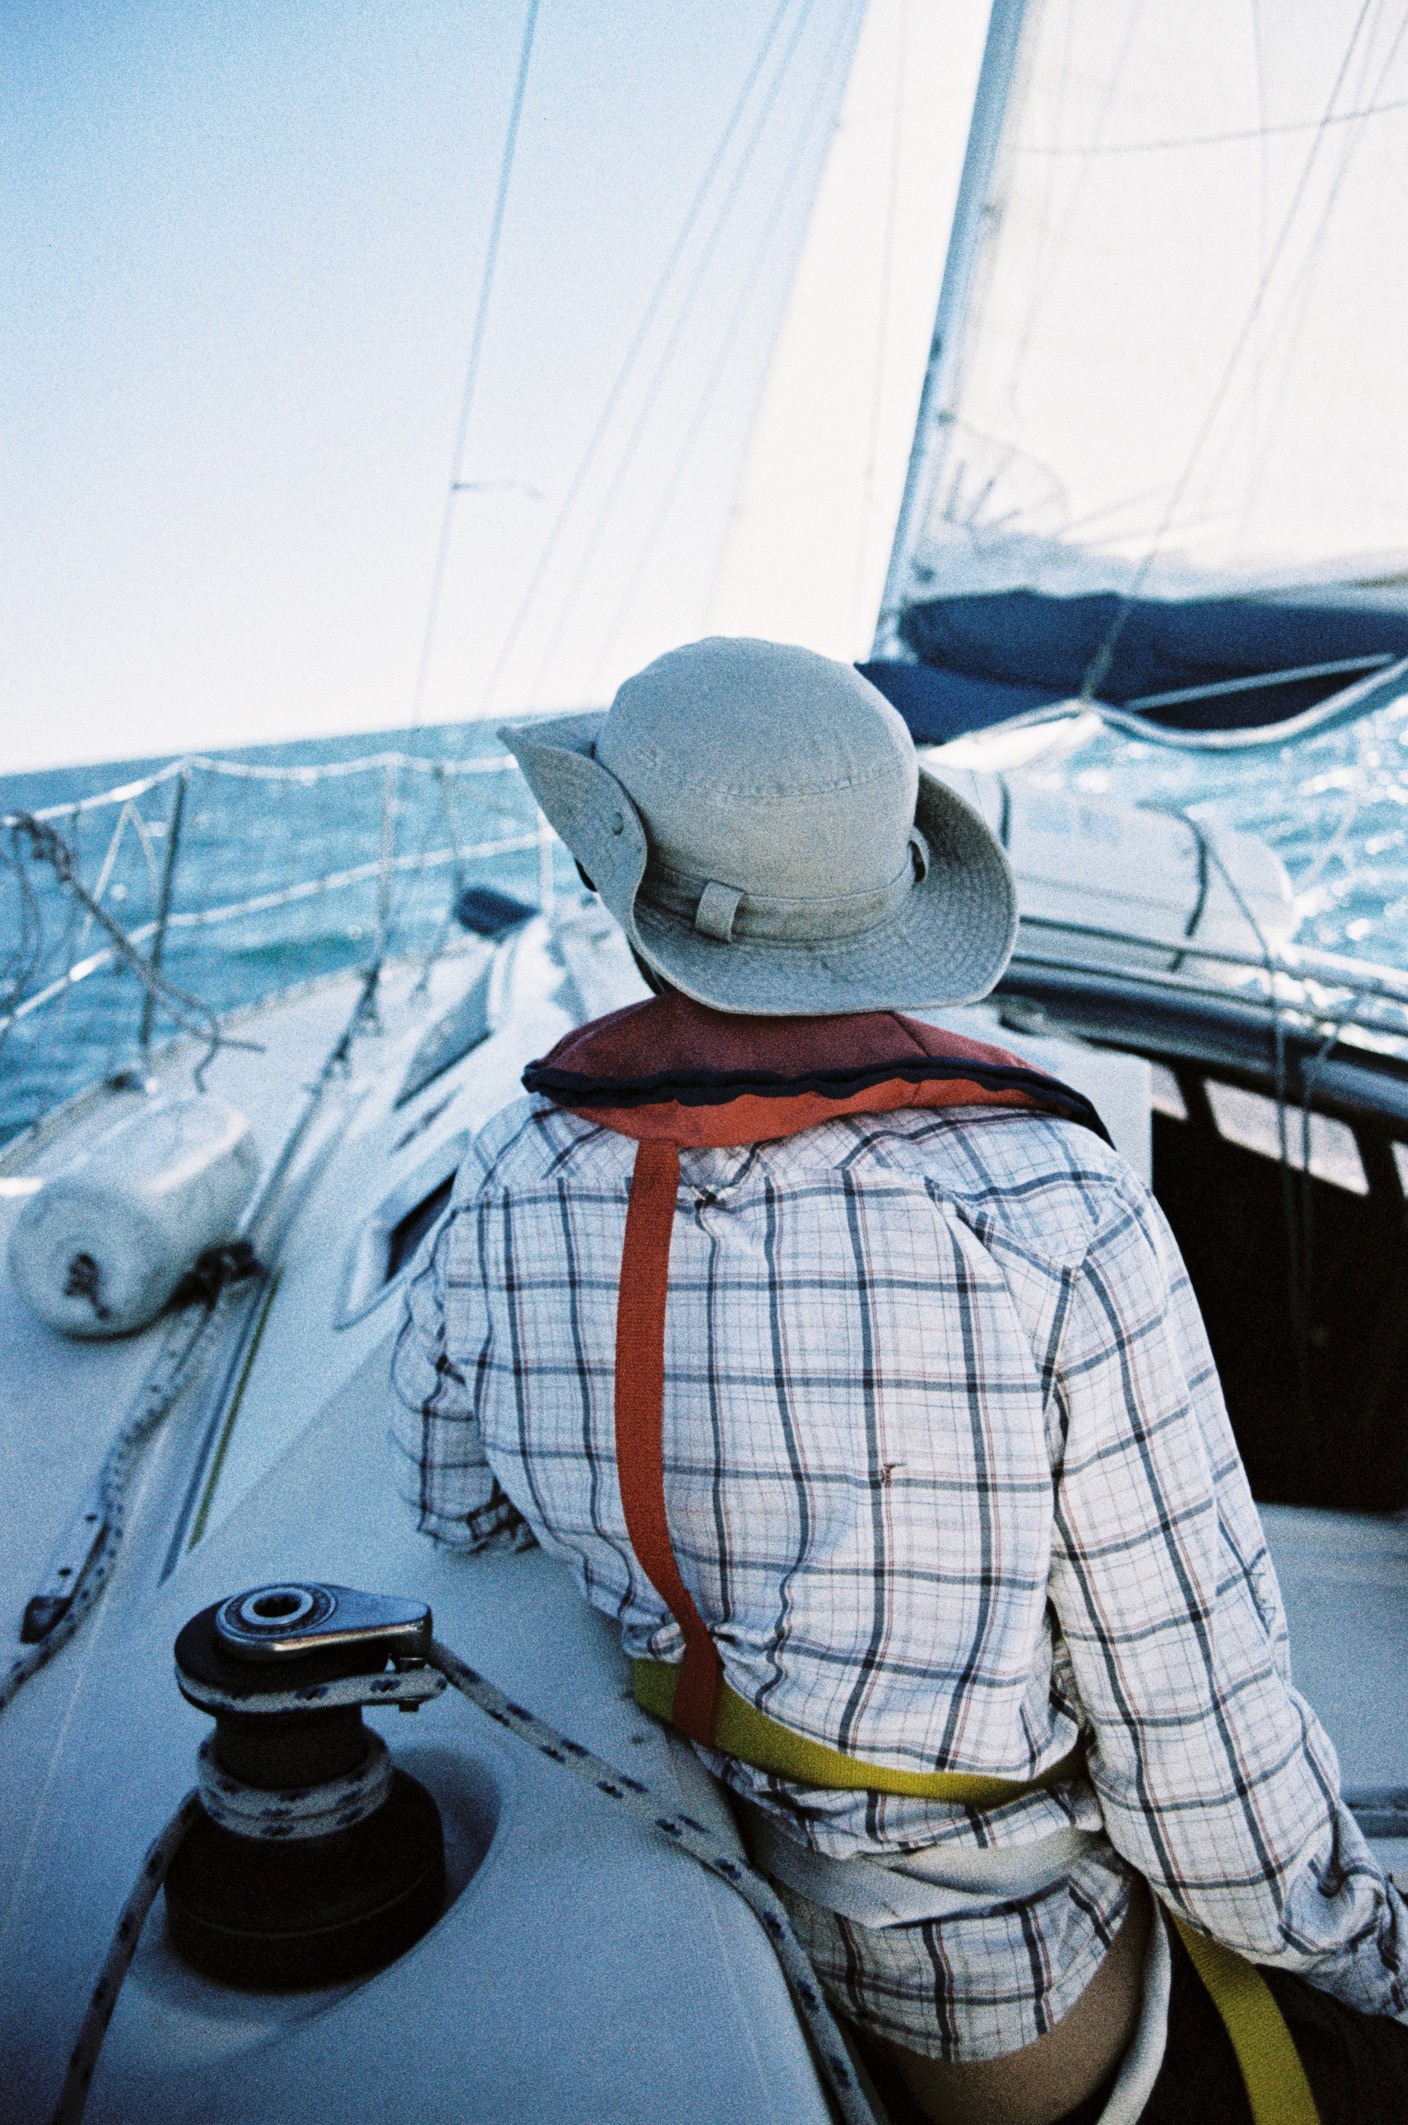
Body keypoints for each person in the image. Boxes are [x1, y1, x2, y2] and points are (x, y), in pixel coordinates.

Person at [390, 638, 1408, 2123]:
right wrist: (1369, 1956)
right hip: (996, 2012)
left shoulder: (509, 1174)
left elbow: (453, 1504)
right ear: (890, 901)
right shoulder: (1051, 1208)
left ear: (628, 897)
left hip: (714, 1890)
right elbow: (1201, 1766)